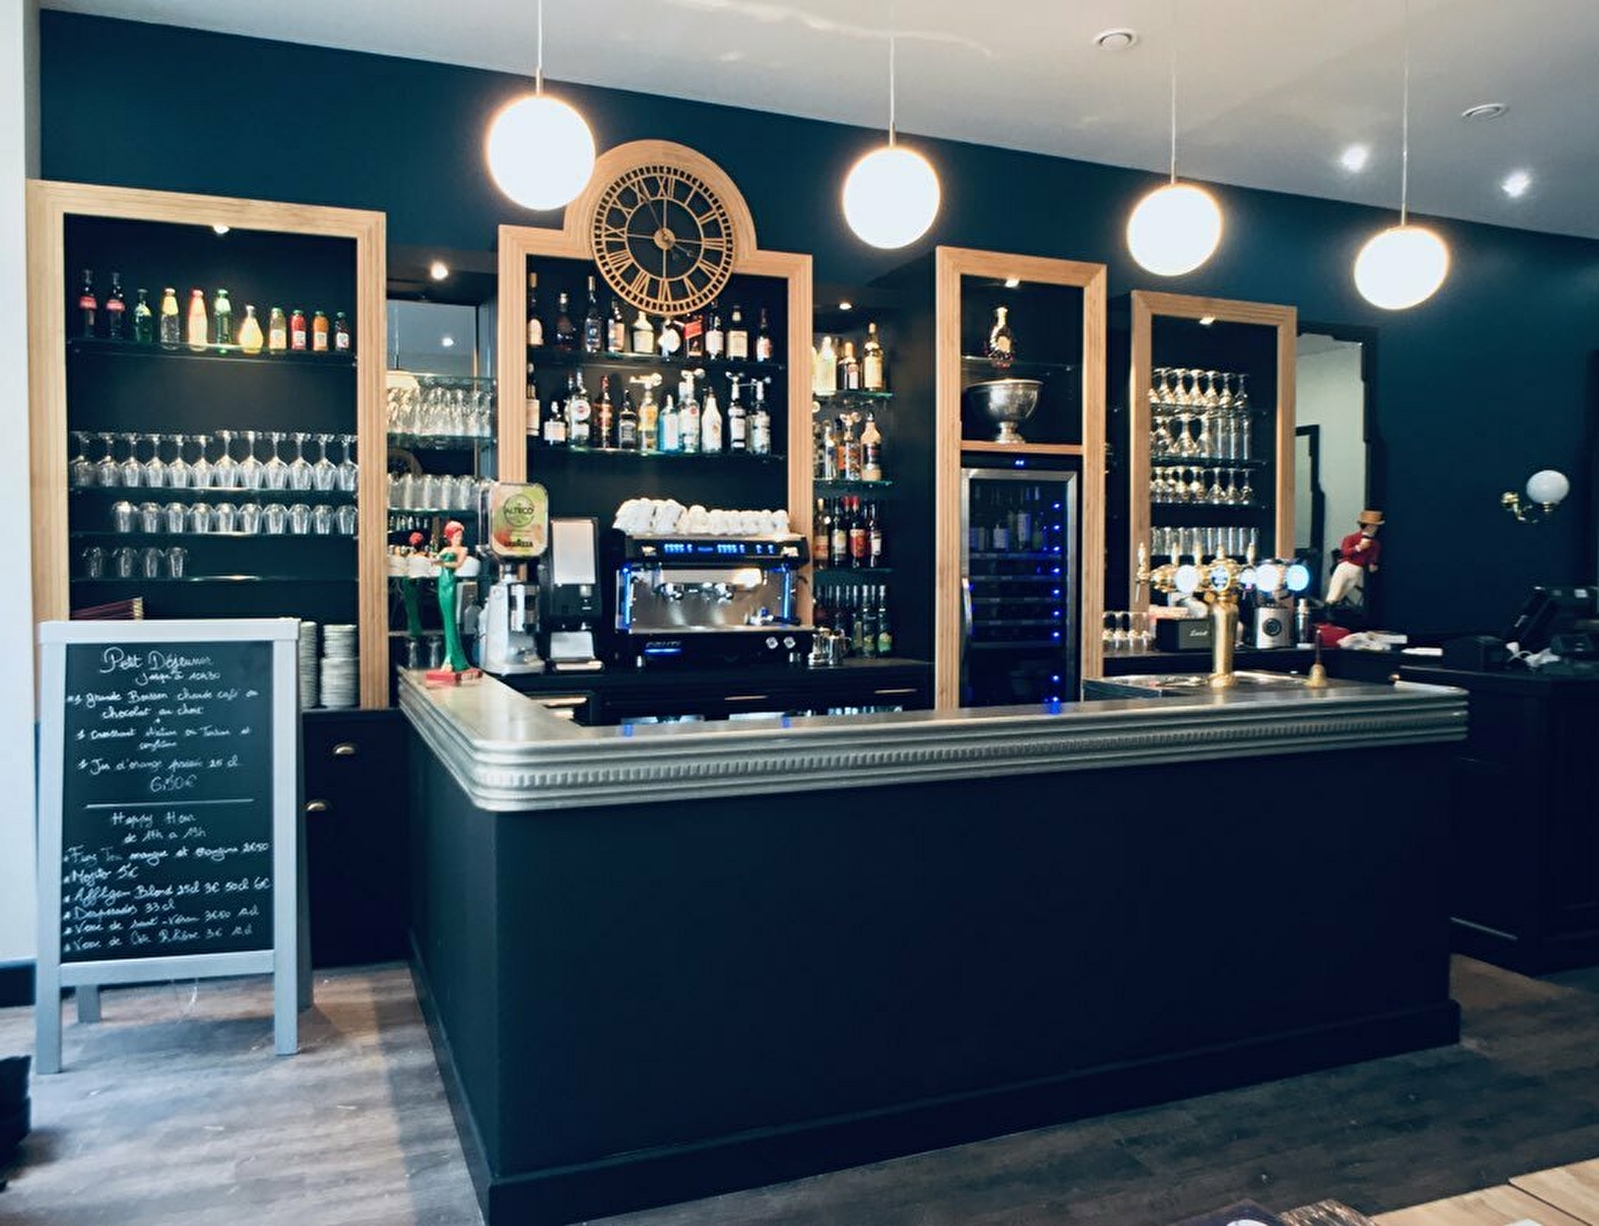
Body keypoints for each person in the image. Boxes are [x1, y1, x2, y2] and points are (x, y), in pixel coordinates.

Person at [429, 519, 478, 680]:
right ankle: (452, 657)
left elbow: (457, 563)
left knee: (450, 620)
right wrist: (440, 562)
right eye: (456, 536)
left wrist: (442, 562)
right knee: (446, 620)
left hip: (450, 583)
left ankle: (452, 658)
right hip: (442, 582)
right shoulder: (445, 549)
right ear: (449, 537)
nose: (459, 538)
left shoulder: (463, 549)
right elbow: (435, 561)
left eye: (460, 535)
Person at [1325, 509, 1383, 608]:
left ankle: (1330, 609)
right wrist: (1359, 547)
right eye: (1374, 526)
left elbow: (1373, 557)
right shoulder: (1351, 538)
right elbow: (1345, 552)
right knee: (1334, 593)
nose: (1375, 529)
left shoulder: (1375, 544)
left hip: (1357, 570)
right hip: (1345, 567)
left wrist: (1372, 564)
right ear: (1368, 526)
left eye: (1376, 526)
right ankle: (1327, 610)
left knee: (1341, 595)